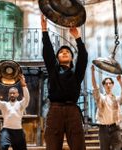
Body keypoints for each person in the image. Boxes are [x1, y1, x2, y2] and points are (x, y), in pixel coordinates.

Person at [41, 14, 88, 150]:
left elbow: (83, 58)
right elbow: (48, 53)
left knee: (78, 145)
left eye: (68, 51)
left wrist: (78, 38)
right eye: (61, 52)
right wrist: (44, 30)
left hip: (73, 111)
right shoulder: (53, 71)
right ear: (57, 58)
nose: (65, 52)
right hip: (55, 111)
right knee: (53, 146)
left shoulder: (76, 74)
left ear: (72, 59)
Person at [91, 65, 122, 150]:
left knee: (117, 147)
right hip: (103, 128)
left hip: (115, 128)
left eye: (110, 83)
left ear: (112, 85)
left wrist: (120, 81)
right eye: (106, 83)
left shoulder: (116, 99)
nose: (108, 85)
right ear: (104, 86)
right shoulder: (101, 98)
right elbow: (95, 88)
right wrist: (92, 73)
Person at [0, 74, 30, 150]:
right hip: (6, 130)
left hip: (18, 131)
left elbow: (27, 99)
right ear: (8, 94)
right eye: (10, 93)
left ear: (17, 94)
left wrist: (23, 85)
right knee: (2, 148)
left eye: (14, 93)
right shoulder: (4, 105)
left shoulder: (21, 104)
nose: (12, 94)